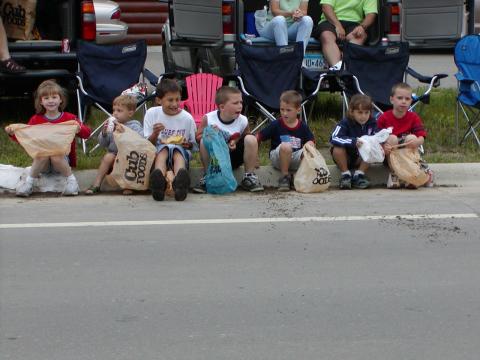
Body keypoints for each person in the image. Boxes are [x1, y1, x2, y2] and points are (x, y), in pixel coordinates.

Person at [4, 79, 91, 197]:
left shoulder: (69, 118)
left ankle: (72, 182)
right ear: (41, 102)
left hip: (61, 161)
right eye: (46, 98)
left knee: (56, 154)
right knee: (42, 153)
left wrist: (79, 127)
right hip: (43, 163)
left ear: (61, 100)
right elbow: (27, 139)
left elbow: (86, 134)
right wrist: (12, 133)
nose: (51, 101)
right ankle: (28, 184)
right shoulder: (36, 120)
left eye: (54, 97)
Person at [193, 86, 264, 193]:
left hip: (233, 156)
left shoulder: (243, 120)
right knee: (204, 140)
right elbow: (198, 137)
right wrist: (210, 133)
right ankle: (208, 175)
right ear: (222, 107)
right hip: (215, 159)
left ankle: (249, 176)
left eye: (241, 102)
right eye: (235, 103)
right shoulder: (209, 118)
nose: (240, 106)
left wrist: (234, 141)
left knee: (251, 138)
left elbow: (245, 137)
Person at [143, 78, 197, 201]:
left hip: (181, 154)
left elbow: (194, 146)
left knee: (177, 151)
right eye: (170, 100)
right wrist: (155, 133)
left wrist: (186, 144)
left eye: (177, 99)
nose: (174, 104)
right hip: (158, 152)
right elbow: (147, 144)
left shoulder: (187, 118)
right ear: (159, 100)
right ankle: (159, 181)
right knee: (164, 150)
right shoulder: (152, 114)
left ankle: (180, 182)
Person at [257, 90, 315, 191]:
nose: (284, 113)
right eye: (282, 109)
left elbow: (311, 141)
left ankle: (299, 176)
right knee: (286, 146)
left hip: (295, 157)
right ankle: (285, 177)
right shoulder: (276, 124)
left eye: (288, 110)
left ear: (298, 110)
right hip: (279, 158)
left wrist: (309, 144)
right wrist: (255, 156)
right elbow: (259, 137)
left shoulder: (303, 126)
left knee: (309, 148)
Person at [85, 95, 143, 195]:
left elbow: (140, 141)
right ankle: (97, 183)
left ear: (130, 113)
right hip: (114, 156)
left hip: (130, 157)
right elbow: (103, 144)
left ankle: (128, 185)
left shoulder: (135, 126)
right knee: (108, 156)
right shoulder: (112, 126)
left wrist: (125, 132)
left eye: (119, 111)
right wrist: (104, 133)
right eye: (114, 110)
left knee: (130, 160)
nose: (115, 113)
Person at [377, 82, 429, 189]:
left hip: (406, 154)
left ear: (411, 101)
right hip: (389, 155)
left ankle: (410, 175)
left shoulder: (413, 117)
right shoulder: (384, 117)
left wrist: (417, 142)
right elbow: (376, 138)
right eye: (400, 98)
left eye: (407, 99)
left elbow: (421, 136)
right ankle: (394, 174)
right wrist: (383, 146)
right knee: (391, 138)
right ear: (392, 99)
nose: (403, 101)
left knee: (412, 137)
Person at [313, 0, 377, 70]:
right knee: (326, 35)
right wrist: (338, 26)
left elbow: (371, 14)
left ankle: (345, 67)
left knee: (360, 36)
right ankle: (338, 70)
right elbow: (326, 7)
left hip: (354, 23)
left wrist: (362, 27)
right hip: (330, 21)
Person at [330, 94, 376, 189]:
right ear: (351, 111)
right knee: (337, 148)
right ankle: (345, 175)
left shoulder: (373, 123)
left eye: (366, 112)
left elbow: (378, 136)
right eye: (359, 112)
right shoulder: (345, 123)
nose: (363, 116)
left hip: (361, 158)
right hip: (345, 157)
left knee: (373, 147)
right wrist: (353, 141)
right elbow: (334, 137)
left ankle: (359, 175)